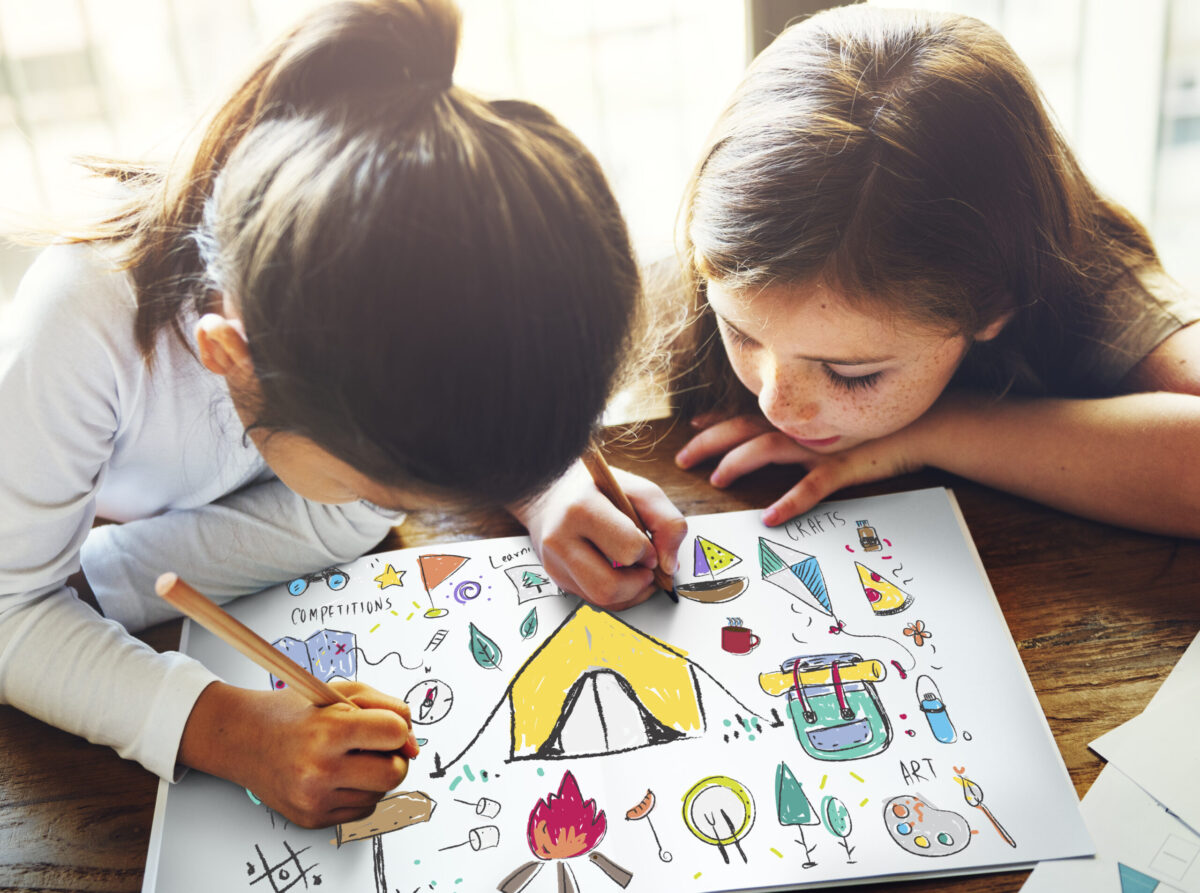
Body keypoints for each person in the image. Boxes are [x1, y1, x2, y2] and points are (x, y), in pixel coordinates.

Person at [0, 0, 683, 831]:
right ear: (229, 357)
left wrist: (542, 489)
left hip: (158, 539)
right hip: (45, 540)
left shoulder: (429, 224)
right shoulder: (80, 325)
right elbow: (12, 611)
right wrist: (227, 728)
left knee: (349, 516)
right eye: (393, 487)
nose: (411, 506)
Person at [663, 5, 1200, 537]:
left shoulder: (1098, 286)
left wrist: (935, 430)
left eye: (854, 373)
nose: (777, 405)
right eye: (739, 331)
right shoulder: (698, 264)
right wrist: (573, 488)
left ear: (994, 305)